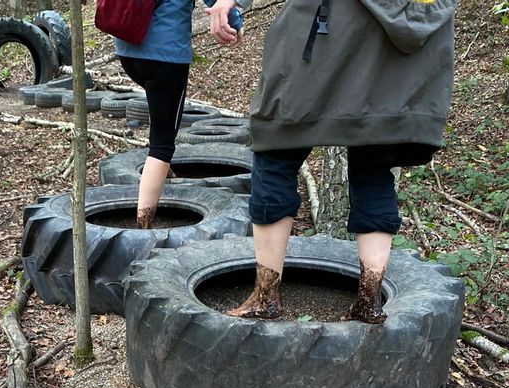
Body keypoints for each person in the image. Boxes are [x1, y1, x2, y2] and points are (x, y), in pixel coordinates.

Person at [209, 0, 457, 322]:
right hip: (401, 63)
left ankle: (265, 296)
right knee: (374, 168)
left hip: (327, 41)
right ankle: (369, 299)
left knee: (275, 150)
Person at [114, 0, 251, 228]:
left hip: (127, 50)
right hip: (166, 57)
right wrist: (236, 23)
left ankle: (165, 177)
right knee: (162, 145)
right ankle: (142, 227)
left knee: (160, 115)